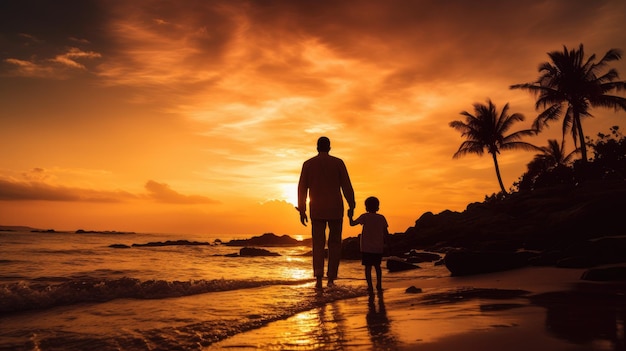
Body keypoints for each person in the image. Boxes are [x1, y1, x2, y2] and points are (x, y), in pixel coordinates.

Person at [297, 136, 356, 289]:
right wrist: (352, 205)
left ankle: (318, 278)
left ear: (317, 147)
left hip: (317, 209)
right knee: (335, 243)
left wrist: (302, 209)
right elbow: (347, 186)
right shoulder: (338, 163)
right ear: (329, 147)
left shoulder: (308, 164)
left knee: (318, 243)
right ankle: (331, 279)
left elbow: (302, 188)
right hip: (335, 208)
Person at [349, 196, 389, 293]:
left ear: (366, 207)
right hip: (378, 247)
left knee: (368, 267)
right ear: (378, 207)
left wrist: (350, 216)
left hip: (366, 247)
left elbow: (352, 224)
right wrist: (387, 243)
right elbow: (386, 232)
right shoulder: (381, 218)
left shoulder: (365, 217)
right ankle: (379, 284)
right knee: (377, 266)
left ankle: (370, 286)